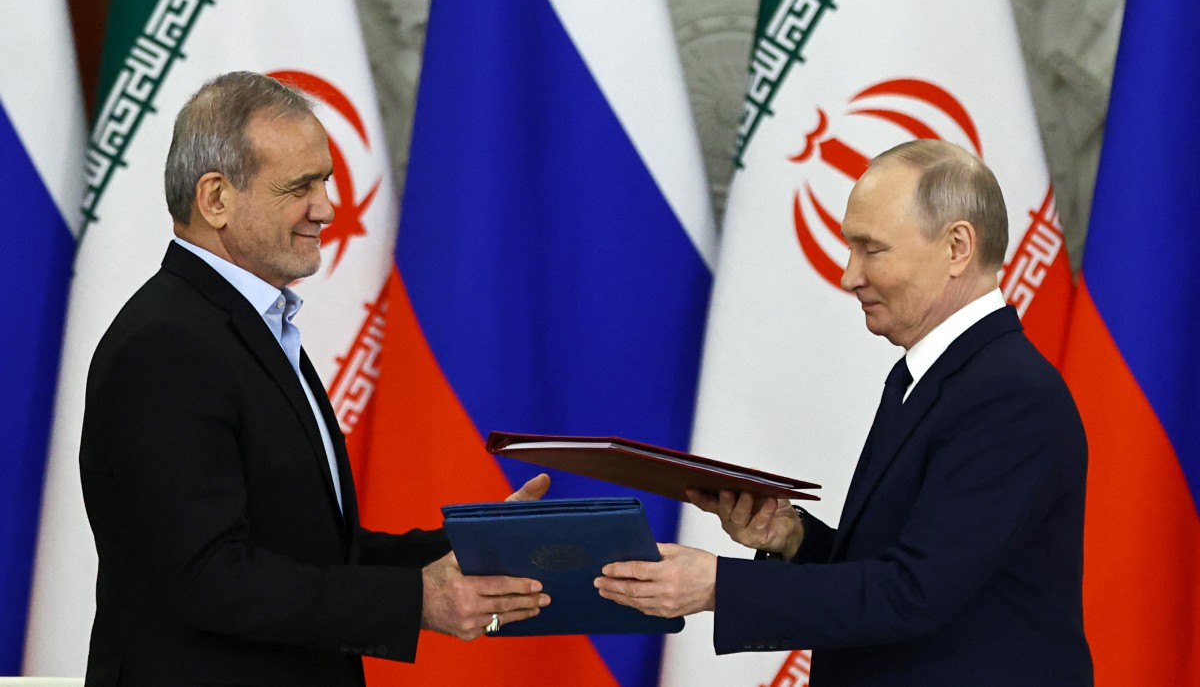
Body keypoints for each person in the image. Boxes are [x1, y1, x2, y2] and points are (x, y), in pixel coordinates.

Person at [79, 71, 550, 687]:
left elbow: (313, 551)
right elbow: (209, 577)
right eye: (301, 186)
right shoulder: (166, 347)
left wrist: (465, 545)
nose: (327, 208)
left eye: (324, 180)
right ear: (216, 199)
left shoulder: (249, 326)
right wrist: (419, 601)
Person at [596, 140, 1093, 685]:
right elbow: (897, 567)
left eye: (871, 249)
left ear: (957, 247)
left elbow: (913, 594)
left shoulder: (1009, 396)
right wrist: (794, 539)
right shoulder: (931, 377)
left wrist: (718, 585)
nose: (849, 275)